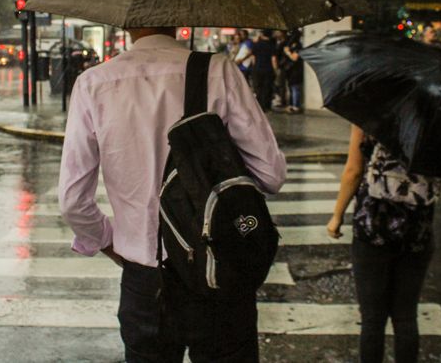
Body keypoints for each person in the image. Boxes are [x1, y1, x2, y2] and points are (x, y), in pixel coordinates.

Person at [58, 27, 286, 363]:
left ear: (126, 22)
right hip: (217, 269)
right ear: (179, 15)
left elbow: (74, 202)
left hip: (146, 280)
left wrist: (110, 241)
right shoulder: (218, 71)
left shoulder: (94, 83)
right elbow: (271, 174)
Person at [327, 125, 437, 363]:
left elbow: (354, 171)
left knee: (372, 319)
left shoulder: (370, 113)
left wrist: (337, 215)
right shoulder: (436, 117)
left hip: (374, 224)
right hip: (417, 227)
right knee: (406, 316)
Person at [251, 29, 278, 111]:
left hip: (258, 69)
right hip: (268, 69)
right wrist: (275, 70)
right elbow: (273, 59)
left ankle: (259, 106)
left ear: (262, 34)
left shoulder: (256, 45)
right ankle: (266, 106)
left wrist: (254, 68)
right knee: (267, 88)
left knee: (258, 88)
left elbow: (253, 58)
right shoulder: (272, 45)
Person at [282, 37, 303, 113]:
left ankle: (296, 106)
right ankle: (291, 105)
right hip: (290, 71)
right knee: (291, 88)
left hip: (296, 71)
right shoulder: (291, 46)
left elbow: (294, 58)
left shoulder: (298, 46)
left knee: (295, 88)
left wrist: (288, 52)